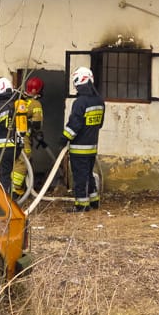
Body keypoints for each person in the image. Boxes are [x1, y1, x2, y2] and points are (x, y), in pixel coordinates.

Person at [61, 67, 105, 212]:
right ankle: (94, 201)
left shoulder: (80, 102)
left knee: (80, 177)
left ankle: (81, 205)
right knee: (88, 175)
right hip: (92, 146)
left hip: (79, 148)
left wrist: (64, 137)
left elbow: (75, 124)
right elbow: (100, 124)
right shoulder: (99, 101)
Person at [12, 76, 46, 197]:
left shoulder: (17, 100)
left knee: (14, 160)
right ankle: (14, 190)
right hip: (23, 137)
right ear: (38, 90)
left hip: (9, 136)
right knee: (24, 160)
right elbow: (37, 124)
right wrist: (38, 133)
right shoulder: (36, 104)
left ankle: (17, 187)